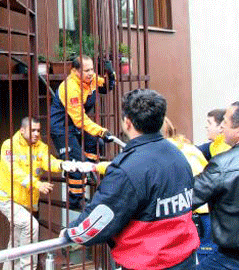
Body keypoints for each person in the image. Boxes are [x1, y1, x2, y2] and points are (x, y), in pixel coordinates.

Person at [62, 89, 199, 270]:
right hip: (185, 259)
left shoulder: (127, 168)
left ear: (127, 122)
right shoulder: (178, 154)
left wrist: (71, 233)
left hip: (150, 263)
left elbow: (99, 220)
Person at [0, 117, 76, 270]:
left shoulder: (41, 147)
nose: (36, 133)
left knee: (16, 240)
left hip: (24, 202)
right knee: (30, 225)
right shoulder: (9, 145)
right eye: (32, 130)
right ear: (22, 130)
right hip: (8, 199)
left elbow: (49, 161)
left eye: (38, 130)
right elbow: (14, 172)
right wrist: (37, 184)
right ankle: (28, 267)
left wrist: (63, 165)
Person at [49, 54, 115, 209]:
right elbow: (80, 119)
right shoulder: (70, 87)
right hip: (62, 129)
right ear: (76, 71)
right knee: (76, 165)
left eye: (92, 69)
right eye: (86, 70)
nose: (91, 73)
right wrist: (101, 131)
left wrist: (110, 74)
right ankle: (75, 200)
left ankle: (86, 170)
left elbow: (105, 86)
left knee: (96, 144)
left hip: (76, 126)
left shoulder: (89, 80)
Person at [161, 117, 215, 263]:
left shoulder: (166, 152)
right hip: (208, 209)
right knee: (206, 257)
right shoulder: (188, 148)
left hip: (192, 211)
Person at [193, 101, 239, 270]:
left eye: (225, 123)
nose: (221, 129)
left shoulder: (223, 164)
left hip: (231, 258)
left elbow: (189, 197)